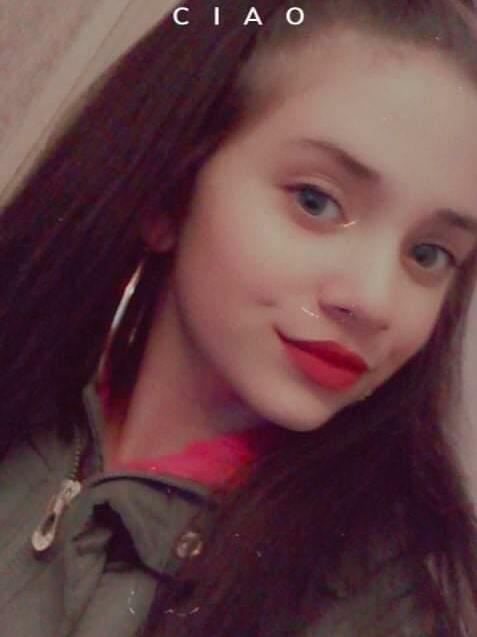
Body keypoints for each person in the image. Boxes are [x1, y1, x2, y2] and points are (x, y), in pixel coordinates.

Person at [1, 0, 477, 635]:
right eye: (316, 201)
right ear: (171, 190)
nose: (374, 299)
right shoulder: (31, 392)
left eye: (428, 253)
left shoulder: (375, 612)